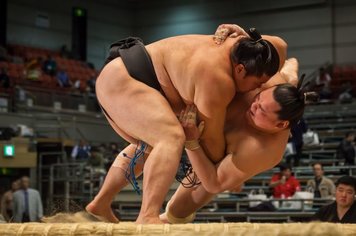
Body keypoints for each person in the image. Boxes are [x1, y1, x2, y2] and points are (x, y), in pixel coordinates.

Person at [86, 26, 287, 223]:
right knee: (171, 137)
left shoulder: (249, 45)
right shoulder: (218, 80)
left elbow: (281, 45)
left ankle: (100, 203)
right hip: (124, 81)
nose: (259, 88)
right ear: (241, 69)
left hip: (125, 74)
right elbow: (210, 140)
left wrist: (240, 30)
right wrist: (228, 170)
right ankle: (147, 215)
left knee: (149, 144)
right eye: (257, 82)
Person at [159, 53, 318, 223]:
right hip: (203, 112)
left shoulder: (261, 150)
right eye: (258, 98)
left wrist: (191, 143)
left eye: (261, 110)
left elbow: (214, 183)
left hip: (221, 161)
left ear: (280, 125)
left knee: (176, 212)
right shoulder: (272, 82)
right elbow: (284, 51)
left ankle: (234, 175)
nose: (254, 105)